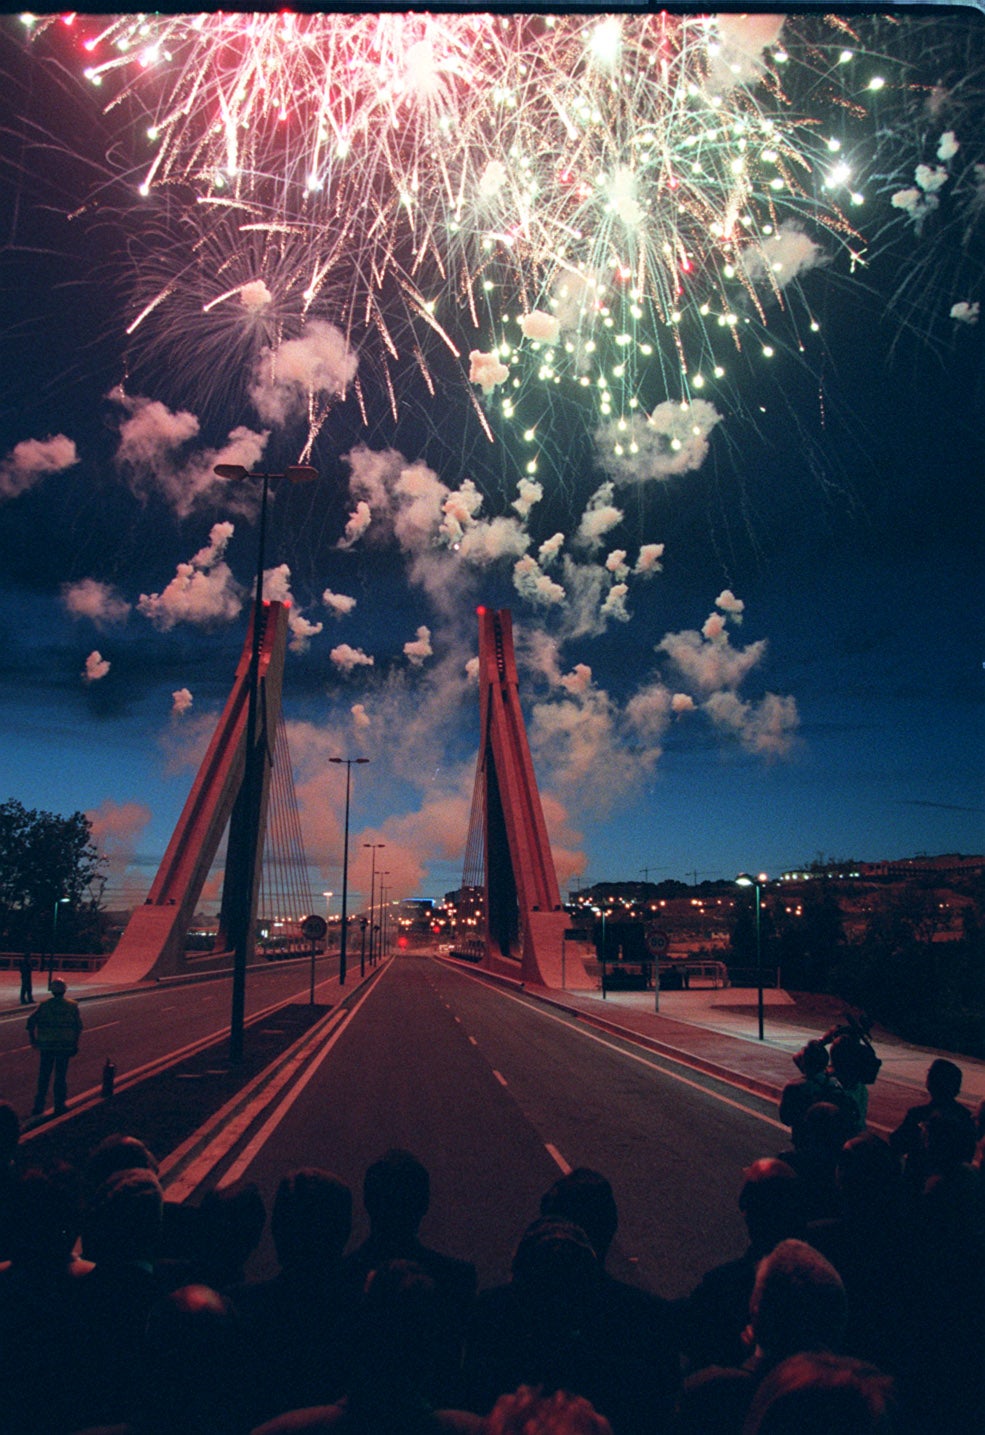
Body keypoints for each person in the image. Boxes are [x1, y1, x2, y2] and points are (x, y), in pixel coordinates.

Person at [26, 975, 83, 1117]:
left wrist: (33, 1039)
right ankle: (59, 1105)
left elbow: (30, 1022)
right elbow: (78, 1027)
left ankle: (38, 1106)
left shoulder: (44, 1005)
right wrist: (75, 1044)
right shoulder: (72, 1006)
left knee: (44, 1076)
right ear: (65, 991)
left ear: (51, 990)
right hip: (64, 1047)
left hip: (47, 1046)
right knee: (60, 1077)